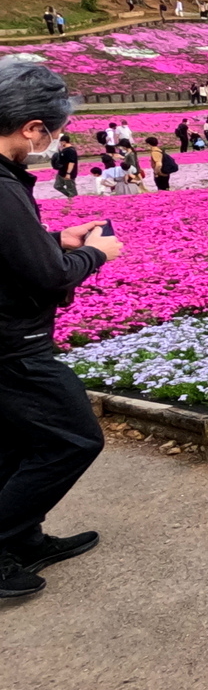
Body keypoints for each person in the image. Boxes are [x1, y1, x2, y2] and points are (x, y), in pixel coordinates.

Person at [0, 62, 122, 599]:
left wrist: (55, 238)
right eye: (53, 130)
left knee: (13, 444)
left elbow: (14, 253)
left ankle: (22, 539)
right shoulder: (1, 186)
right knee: (74, 438)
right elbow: (45, 278)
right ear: (31, 127)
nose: (54, 140)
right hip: (12, 343)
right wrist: (97, 252)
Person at [49, 134, 79, 199]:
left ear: (64, 142)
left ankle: (74, 199)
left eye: (61, 142)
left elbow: (71, 163)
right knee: (57, 186)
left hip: (68, 174)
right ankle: (70, 196)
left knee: (71, 189)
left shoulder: (70, 151)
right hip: (61, 173)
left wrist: (68, 173)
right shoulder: (64, 150)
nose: (60, 143)